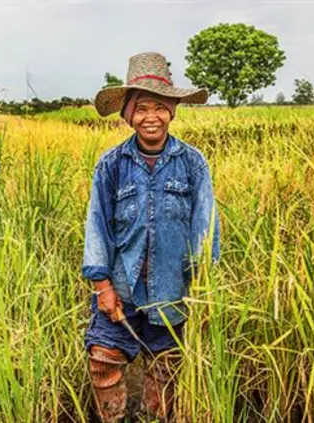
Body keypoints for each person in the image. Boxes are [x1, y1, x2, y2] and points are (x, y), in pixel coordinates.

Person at [82, 52, 221, 421]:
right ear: (129, 114)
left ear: (171, 112)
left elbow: (205, 226)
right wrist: (102, 286)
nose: (151, 117)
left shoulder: (192, 163)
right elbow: (97, 226)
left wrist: (202, 288)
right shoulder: (111, 165)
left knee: (165, 369)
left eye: (160, 107)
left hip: (173, 289)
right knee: (103, 361)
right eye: (142, 108)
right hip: (121, 289)